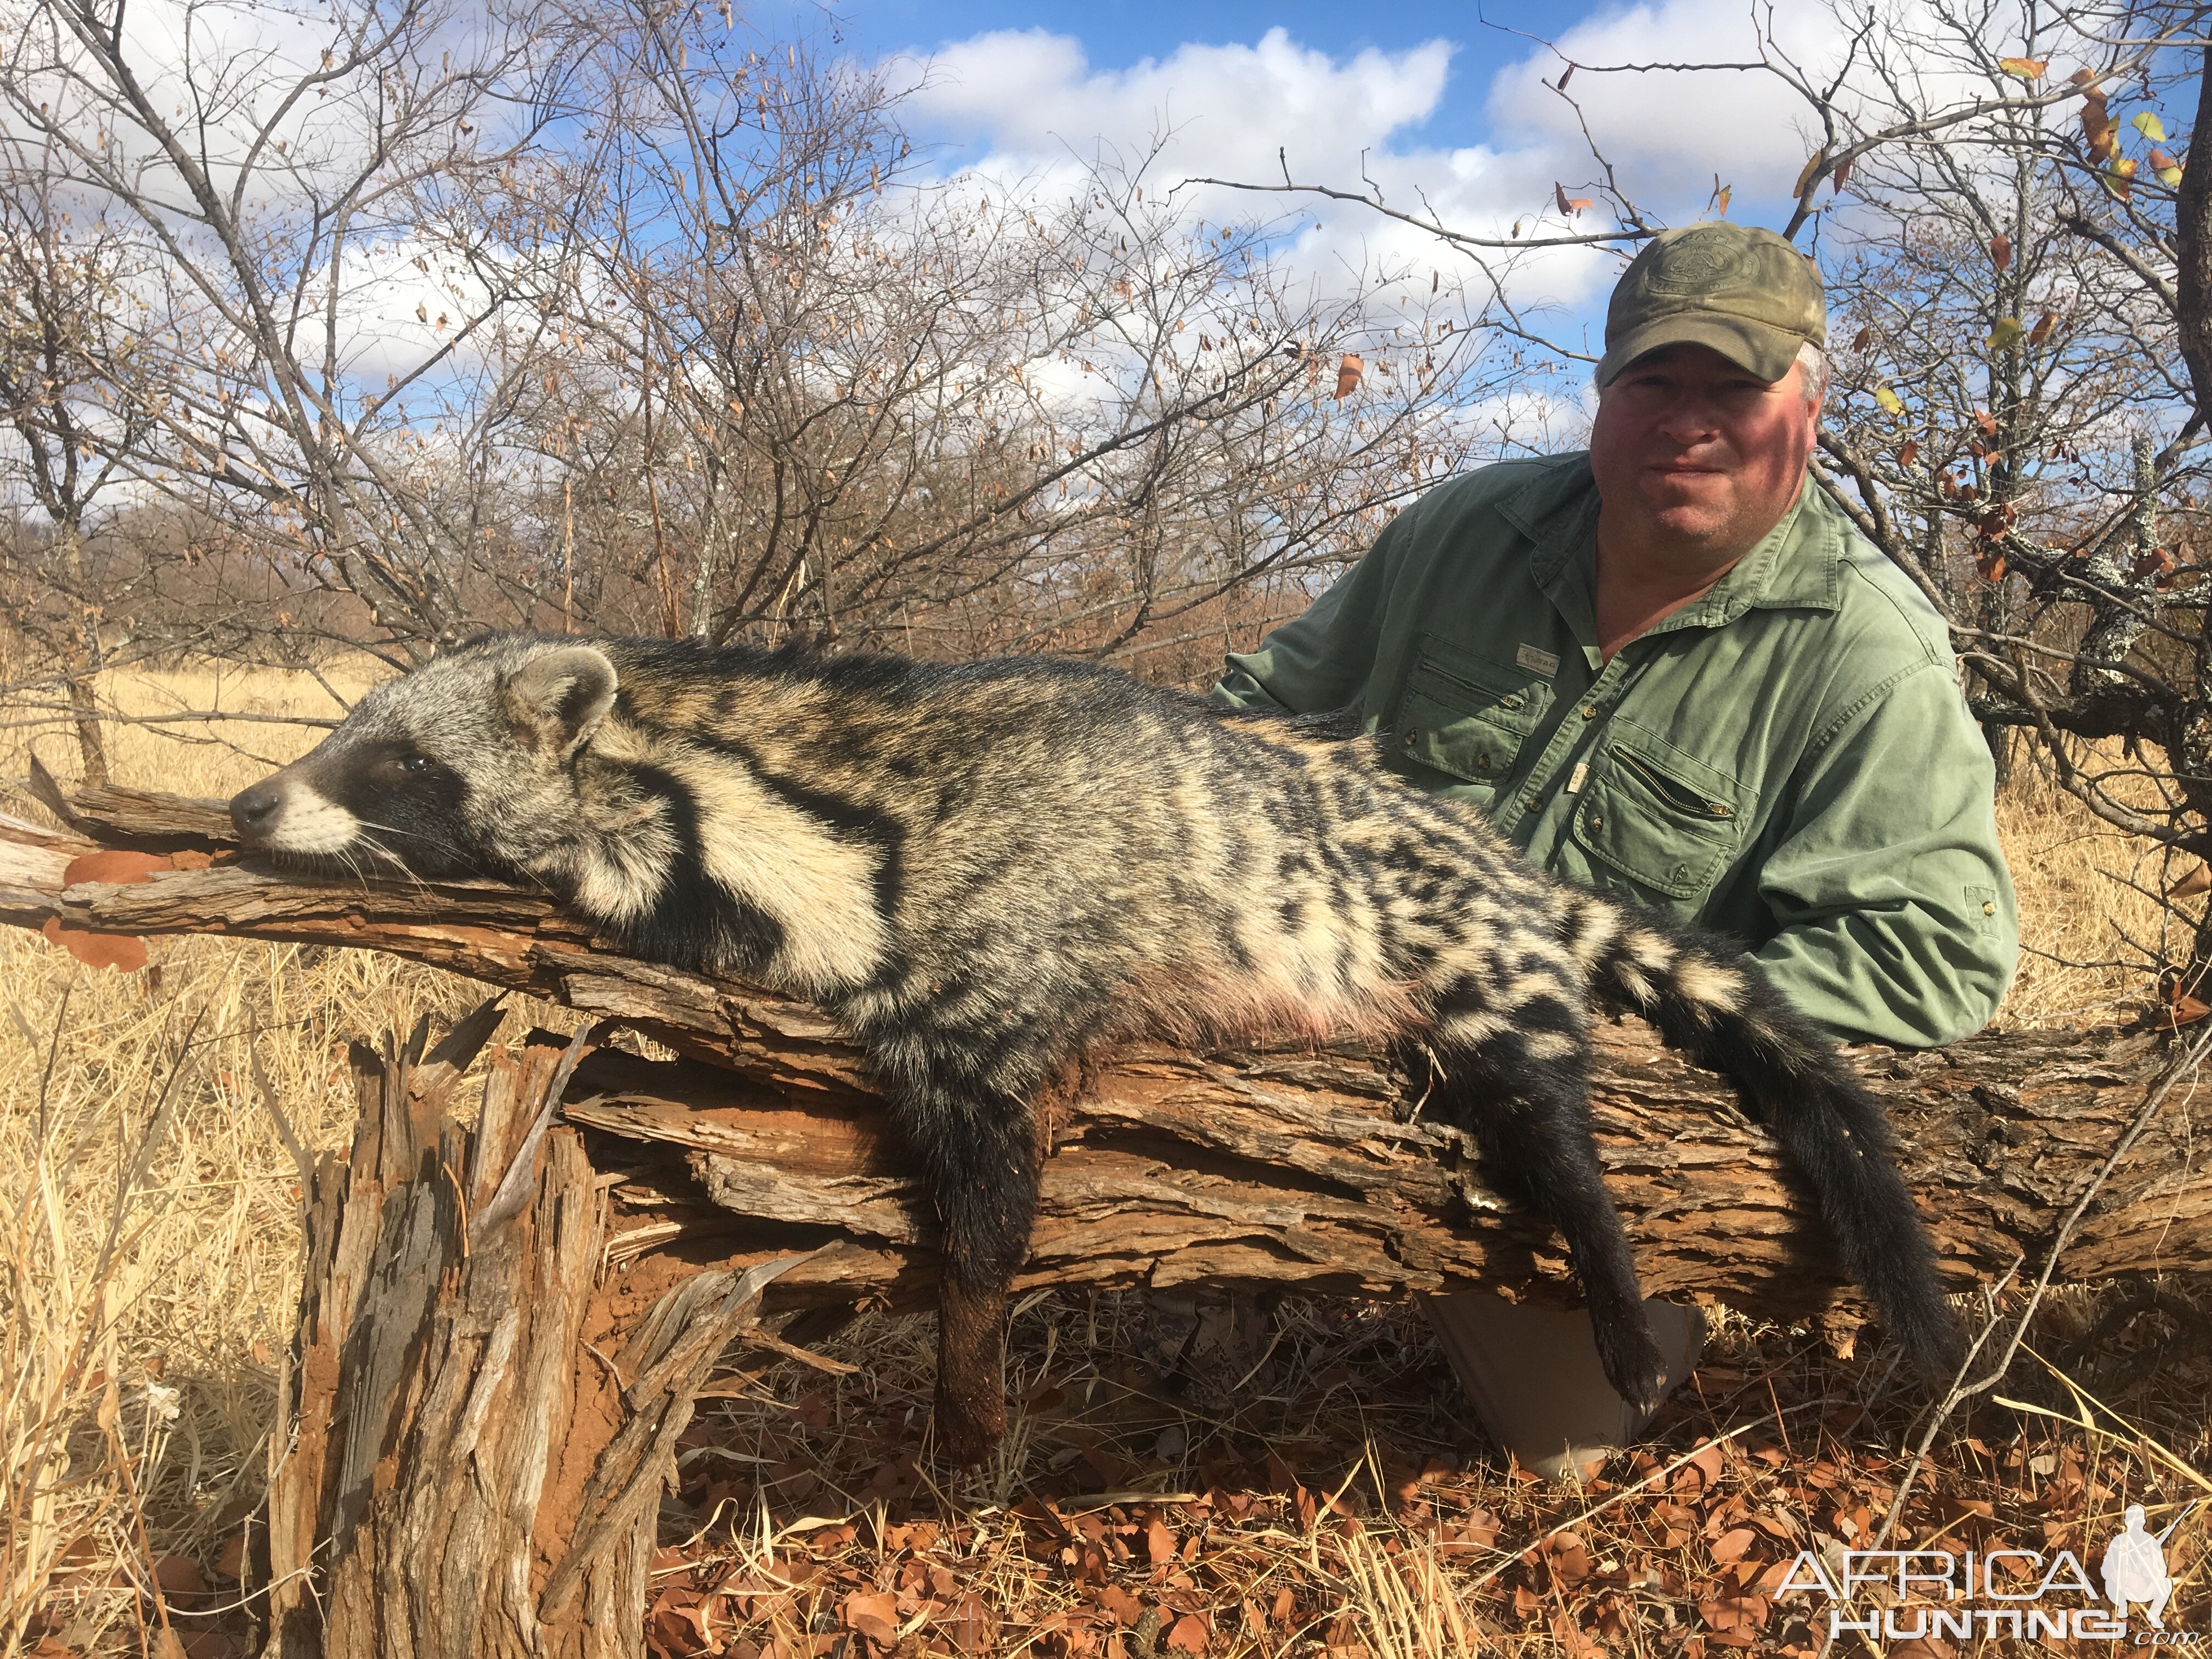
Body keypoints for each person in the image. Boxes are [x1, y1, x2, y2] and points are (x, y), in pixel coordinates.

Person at [1209, 222, 2019, 1478]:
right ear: (1603, 392)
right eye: (1653, 381)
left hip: (1583, 1075)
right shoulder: (1468, 527)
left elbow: (1930, 962)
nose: (1685, 421)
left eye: (1732, 388)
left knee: (1566, 1437)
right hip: (1328, 996)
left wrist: (1631, 1023)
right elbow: (1258, 709)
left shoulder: (1871, 656)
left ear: (1807, 404)